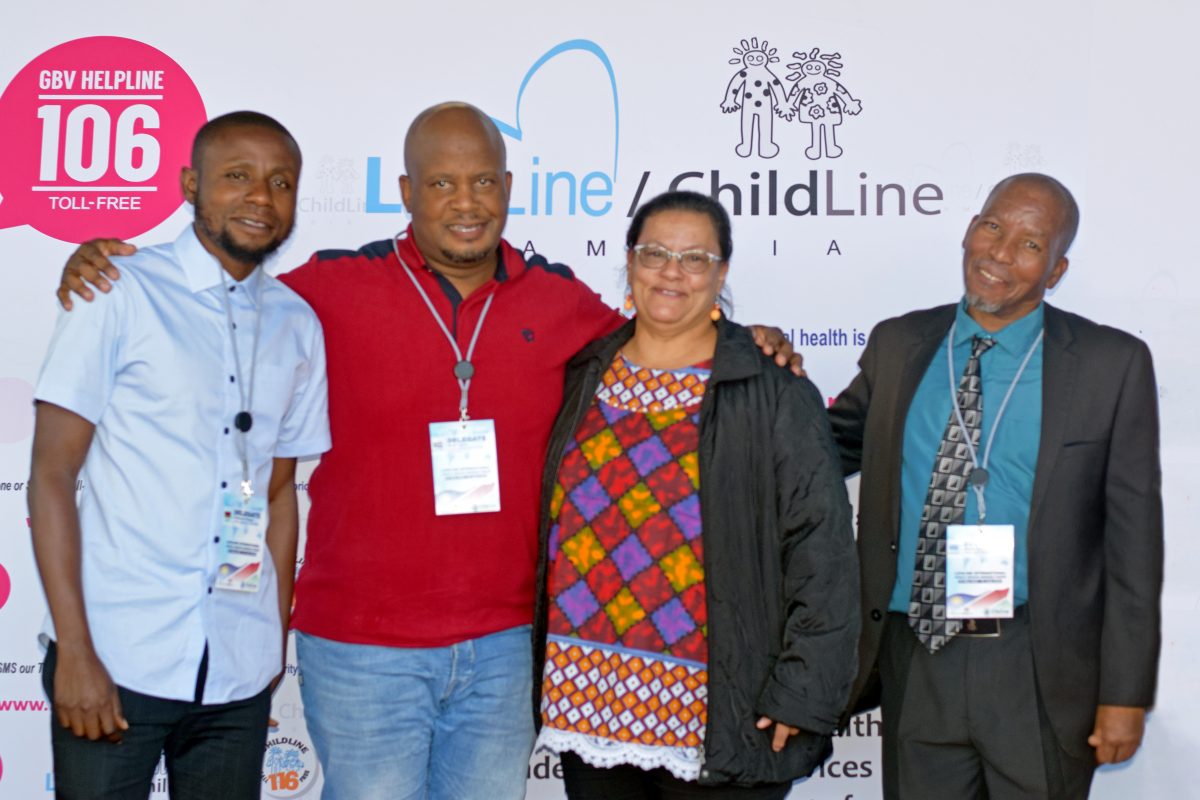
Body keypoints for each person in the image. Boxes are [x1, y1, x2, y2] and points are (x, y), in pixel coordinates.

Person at [53, 102, 798, 800]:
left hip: (508, 650)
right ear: (407, 191)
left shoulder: (563, 304)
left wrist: (751, 339)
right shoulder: (322, 291)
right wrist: (101, 264)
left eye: (482, 181)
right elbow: (227, 285)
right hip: (360, 650)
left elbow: (667, 338)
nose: (465, 201)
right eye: (441, 182)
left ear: (509, 188)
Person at [828, 173, 1163, 799]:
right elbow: (821, 447)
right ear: (968, 230)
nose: (1001, 254)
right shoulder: (899, 344)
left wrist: (1124, 695)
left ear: (1056, 270)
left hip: (1036, 664)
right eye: (992, 227)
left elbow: (1134, 549)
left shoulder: (1109, 365)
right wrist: (756, 362)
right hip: (915, 652)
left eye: (1031, 244)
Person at [28, 111, 330, 800]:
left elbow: (280, 495)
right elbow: (50, 475)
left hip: (238, 671)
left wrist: (269, 644)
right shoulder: (116, 289)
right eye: (237, 177)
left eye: (280, 182)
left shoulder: (297, 324)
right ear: (191, 184)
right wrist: (74, 651)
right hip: (114, 655)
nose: (261, 197)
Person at [532, 190, 859, 799]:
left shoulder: (771, 387)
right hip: (587, 698)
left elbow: (824, 550)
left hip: (718, 713)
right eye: (655, 253)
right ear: (629, 261)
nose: (671, 272)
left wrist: (804, 691)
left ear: (722, 271)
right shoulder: (584, 371)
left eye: (695, 258)